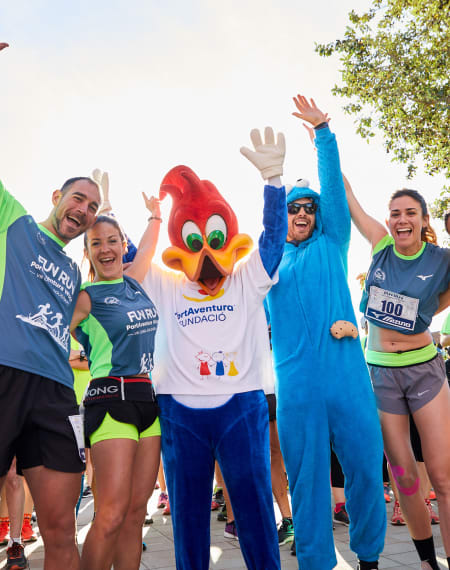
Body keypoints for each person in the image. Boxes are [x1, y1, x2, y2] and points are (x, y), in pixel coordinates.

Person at [142, 128, 287, 570]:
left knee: (255, 508)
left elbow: (273, 240)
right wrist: (131, 217)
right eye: (193, 242)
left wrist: (274, 181)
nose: (206, 256)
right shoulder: (167, 283)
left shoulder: (245, 277)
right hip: (179, 409)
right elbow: (128, 260)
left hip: (239, 404)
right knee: (188, 516)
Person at [265, 94, 386, 570]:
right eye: (294, 209)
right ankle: (316, 561)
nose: (302, 215)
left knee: (365, 466)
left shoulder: (332, 242)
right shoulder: (268, 263)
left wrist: (323, 136)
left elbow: (333, 192)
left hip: (347, 379)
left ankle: (369, 557)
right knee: (307, 480)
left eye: (308, 209)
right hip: (297, 388)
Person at [344, 155, 450, 567]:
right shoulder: (381, 245)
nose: (401, 219)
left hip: (425, 372)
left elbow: (438, 303)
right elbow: (348, 198)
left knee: (442, 477)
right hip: (381, 375)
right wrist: (324, 139)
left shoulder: (441, 259)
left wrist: (428, 313)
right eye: (395, 214)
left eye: (410, 213)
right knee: (405, 480)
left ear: (423, 219)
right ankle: (426, 561)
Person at [0, 150, 100, 570]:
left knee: (61, 530)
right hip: (7, 374)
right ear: (57, 196)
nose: (84, 209)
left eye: (93, 206)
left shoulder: (73, 271)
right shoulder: (14, 222)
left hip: (57, 393)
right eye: (78, 198)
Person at [70, 187, 161, 570]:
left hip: (147, 400)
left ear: (123, 245)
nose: (105, 249)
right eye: (96, 243)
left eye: (112, 240)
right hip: (110, 400)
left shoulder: (134, 282)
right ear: (87, 252)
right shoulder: (84, 297)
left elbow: (149, 248)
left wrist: (155, 215)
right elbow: (43, 330)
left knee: (136, 513)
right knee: (110, 513)